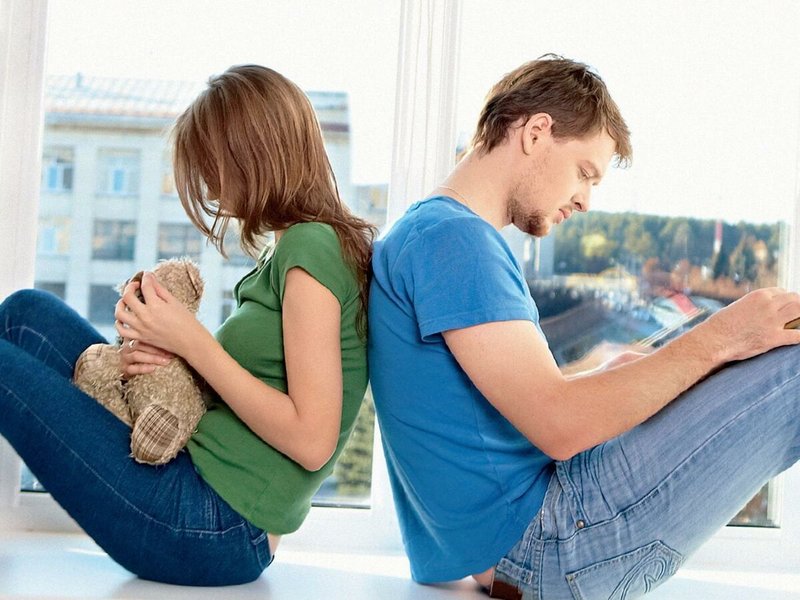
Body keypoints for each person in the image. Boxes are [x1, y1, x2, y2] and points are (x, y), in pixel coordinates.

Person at [368, 54, 800, 599]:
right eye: (584, 173)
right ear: (536, 132)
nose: (585, 201)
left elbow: (489, 413)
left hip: (523, 545)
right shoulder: (454, 240)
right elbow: (558, 425)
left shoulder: (427, 231)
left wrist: (604, 377)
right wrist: (723, 335)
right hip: (551, 544)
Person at [0, 64, 375, 586]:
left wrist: (192, 343)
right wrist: (146, 356)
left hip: (212, 524)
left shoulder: (314, 246)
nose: (208, 184)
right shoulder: (290, 249)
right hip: (195, 491)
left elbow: (312, 440)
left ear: (255, 154)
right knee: (27, 315)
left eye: (212, 162)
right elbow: (230, 391)